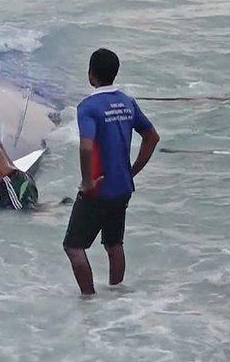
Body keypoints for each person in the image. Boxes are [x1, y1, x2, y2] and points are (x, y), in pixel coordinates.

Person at [63, 48, 160, 295]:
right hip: (122, 187)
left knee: (73, 247)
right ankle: (116, 299)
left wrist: (87, 182)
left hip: (98, 189)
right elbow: (152, 137)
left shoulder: (88, 106)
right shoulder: (127, 102)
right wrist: (132, 171)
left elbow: (86, 147)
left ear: (90, 74)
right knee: (114, 243)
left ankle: (89, 298)